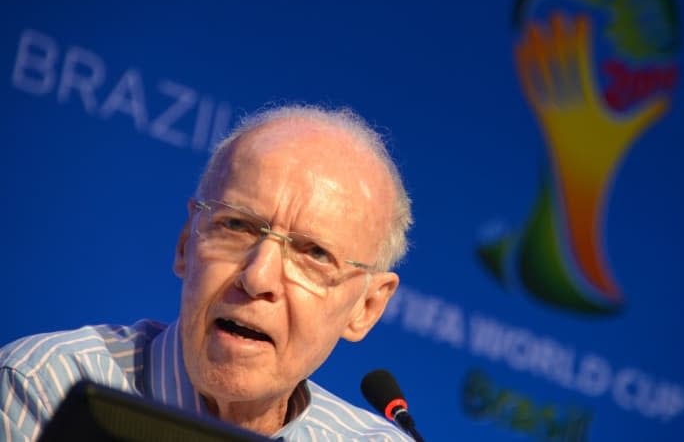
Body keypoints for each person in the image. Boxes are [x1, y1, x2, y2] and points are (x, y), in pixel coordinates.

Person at [0, 104, 414, 441]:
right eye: (236, 226)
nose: (258, 278)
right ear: (186, 243)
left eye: (314, 253)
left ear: (367, 306)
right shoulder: (43, 387)